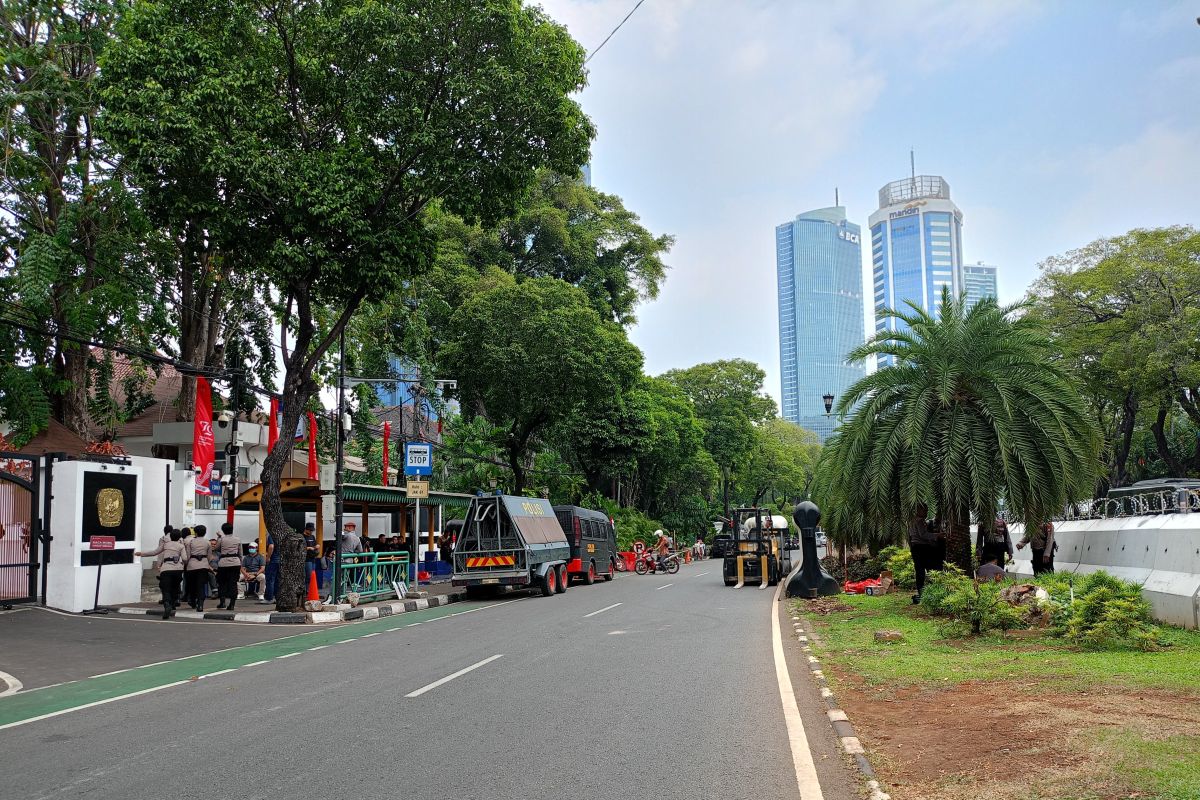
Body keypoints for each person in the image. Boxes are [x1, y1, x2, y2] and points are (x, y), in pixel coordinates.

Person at [136, 529, 186, 619]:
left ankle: (167, 604)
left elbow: (154, 552)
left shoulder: (165, 544)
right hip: (178, 569)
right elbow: (185, 558)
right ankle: (173, 603)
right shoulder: (181, 546)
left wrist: (141, 554)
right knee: (175, 587)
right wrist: (183, 563)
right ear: (180, 537)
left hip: (166, 569)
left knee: (165, 588)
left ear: (170, 536)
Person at [907, 505, 944, 602]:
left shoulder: (911, 521)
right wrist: (938, 535)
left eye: (927, 510)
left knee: (919, 570)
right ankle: (931, 591)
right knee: (930, 568)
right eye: (925, 510)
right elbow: (923, 535)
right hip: (921, 548)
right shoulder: (919, 521)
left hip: (915, 547)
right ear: (918, 510)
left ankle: (921, 592)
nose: (926, 512)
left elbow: (911, 537)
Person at [182, 526, 212, 612]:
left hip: (192, 565)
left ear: (196, 533)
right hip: (203, 565)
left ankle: (193, 602)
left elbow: (187, 556)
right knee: (201, 585)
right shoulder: (208, 542)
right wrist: (206, 562)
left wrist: (186, 564)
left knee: (192, 585)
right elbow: (209, 556)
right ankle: (201, 605)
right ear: (205, 532)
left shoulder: (191, 542)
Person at [215, 523, 243, 611]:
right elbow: (240, 553)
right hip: (235, 562)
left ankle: (222, 602)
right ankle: (232, 604)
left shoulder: (221, 539)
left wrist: (219, 537)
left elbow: (216, 548)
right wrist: (240, 562)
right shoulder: (237, 539)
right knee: (233, 583)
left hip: (223, 563)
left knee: (222, 583)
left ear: (223, 530)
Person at [264, 531, 280, 603]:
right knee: (277, 580)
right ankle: (277, 597)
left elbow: (271, 546)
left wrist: (268, 557)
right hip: (280, 560)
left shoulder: (272, 535)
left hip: (273, 560)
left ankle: (269, 598)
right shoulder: (281, 535)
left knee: (270, 579)